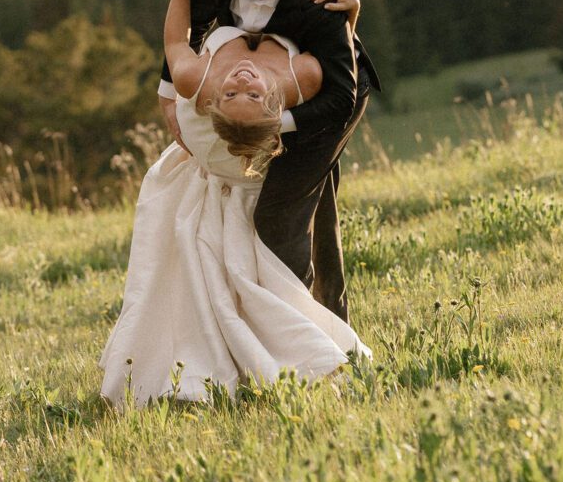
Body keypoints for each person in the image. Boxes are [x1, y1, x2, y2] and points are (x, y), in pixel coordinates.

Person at [98, 22, 369, 409]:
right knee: (268, 272)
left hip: (279, 166)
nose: (241, 82)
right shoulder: (265, 90)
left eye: (247, 93)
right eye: (234, 92)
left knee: (298, 253)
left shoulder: (202, 104)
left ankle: (316, 332)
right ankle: (310, 343)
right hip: (256, 172)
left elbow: (177, 44)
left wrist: (172, 90)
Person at [158, 0, 381, 320]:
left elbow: (341, 96)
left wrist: (275, 124)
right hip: (264, 87)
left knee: (278, 212)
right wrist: (170, 88)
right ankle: (334, 322)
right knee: (314, 200)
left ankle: (301, 335)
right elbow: (190, 21)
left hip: (332, 100)